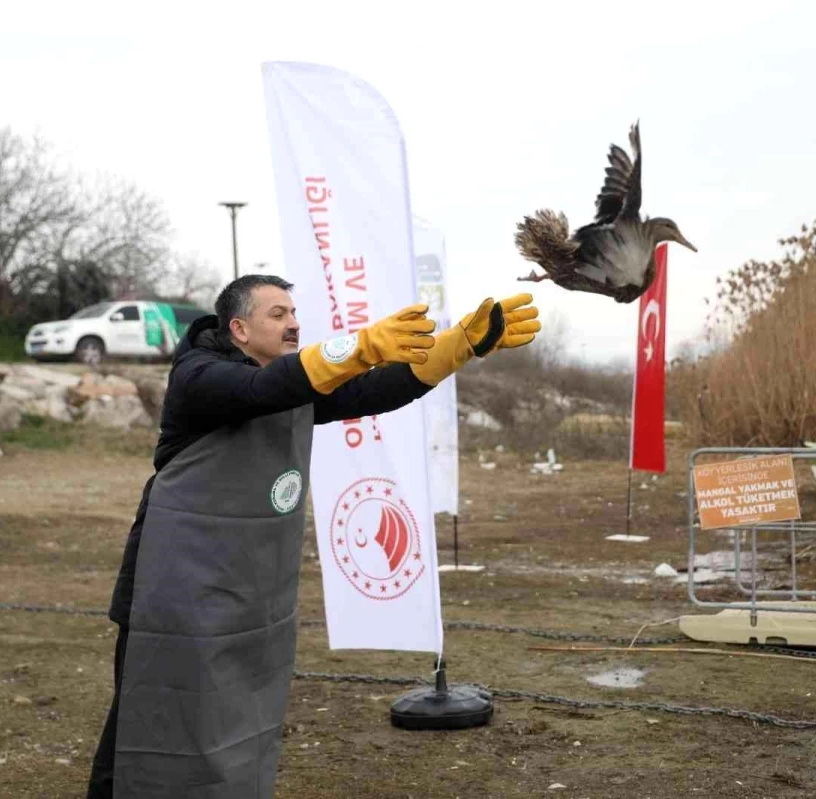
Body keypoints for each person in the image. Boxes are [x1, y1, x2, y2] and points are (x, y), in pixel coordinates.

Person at [85, 274, 540, 799]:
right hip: (170, 587)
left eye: (294, 313)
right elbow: (259, 390)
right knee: (144, 717)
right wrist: (363, 345)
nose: (294, 322)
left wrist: (456, 346)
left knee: (228, 715)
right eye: (277, 313)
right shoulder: (199, 375)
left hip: (241, 589)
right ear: (238, 328)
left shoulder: (295, 382)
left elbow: (376, 390)